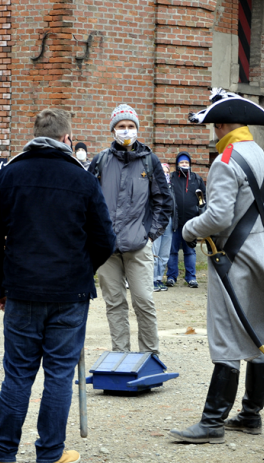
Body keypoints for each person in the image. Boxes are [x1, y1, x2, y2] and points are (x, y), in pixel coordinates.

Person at [0, 108, 116, 463]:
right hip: (69, 293)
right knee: (58, 373)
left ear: (34, 134)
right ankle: (50, 453)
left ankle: (2, 453)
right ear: (68, 138)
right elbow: (105, 240)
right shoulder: (82, 179)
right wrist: (83, 270)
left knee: (18, 373)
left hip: (21, 290)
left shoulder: (9, 175)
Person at [169, 89, 264, 444]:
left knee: (228, 332)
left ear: (222, 125)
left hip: (235, 257)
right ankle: (251, 414)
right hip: (262, 252)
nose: (212, 132)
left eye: (214, 125)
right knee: (257, 330)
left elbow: (217, 216)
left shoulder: (226, 160)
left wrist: (188, 229)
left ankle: (212, 422)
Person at [88, 104, 173, 354]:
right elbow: (88, 201)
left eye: (131, 126)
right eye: (122, 126)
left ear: (137, 128)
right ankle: (120, 356)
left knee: (144, 302)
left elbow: (163, 201)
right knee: (114, 304)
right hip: (107, 249)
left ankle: (150, 356)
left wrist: (150, 235)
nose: (126, 131)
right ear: (113, 130)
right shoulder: (101, 161)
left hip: (138, 246)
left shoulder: (149, 160)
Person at [167, 151, 205, 288]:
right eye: (182, 163)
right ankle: (171, 277)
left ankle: (191, 277)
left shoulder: (197, 179)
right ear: (177, 164)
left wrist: (200, 212)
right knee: (172, 251)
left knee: (190, 251)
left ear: (190, 164)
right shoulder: (171, 178)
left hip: (191, 221)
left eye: (186, 163)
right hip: (175, 221)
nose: (184, 165)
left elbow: (202, 199)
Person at [151, 163, 177, 291]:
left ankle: (159, 279)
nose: (165, 173)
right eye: (162, 171)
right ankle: (151, 280)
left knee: (164, 253)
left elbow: (175, 207)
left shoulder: (172, 187)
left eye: (167, 171)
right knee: (154, 253)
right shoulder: (152, 186)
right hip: (156, 221)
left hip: (169, 222)